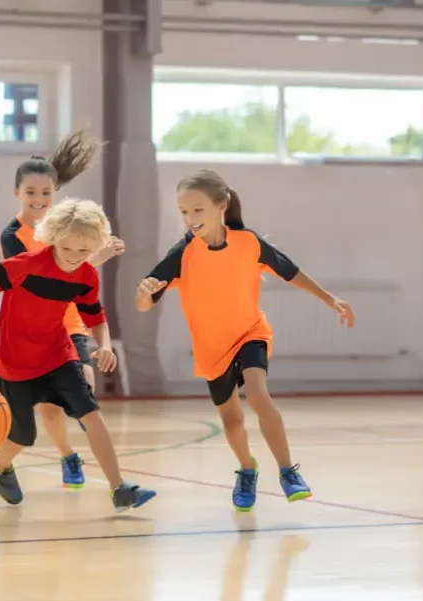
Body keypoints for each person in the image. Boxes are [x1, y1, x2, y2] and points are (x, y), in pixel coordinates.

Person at [134, 169, 355, 512]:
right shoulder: (183, 254)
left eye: (197, 209)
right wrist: (143, 293)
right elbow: (145, 303)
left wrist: (331, 300)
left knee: (257, 391)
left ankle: (288, 472)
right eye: (184, 212)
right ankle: (248, 469)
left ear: (221, 206)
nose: (190, 218)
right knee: (232, 421)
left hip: (250, 332)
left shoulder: (249, 243)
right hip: (211, 349)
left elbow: (290, 271)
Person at [0, 198, 155, 512]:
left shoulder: (87, 275)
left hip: (57, 356)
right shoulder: (25, 265)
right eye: (68, 249)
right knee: (22, 438)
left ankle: (119, 488)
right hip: (15, 365)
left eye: (84, 251)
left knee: (92, 414)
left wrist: (103, 345)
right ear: (53, 238)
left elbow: (95, 316)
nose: (75, 257)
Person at [0, 129, 125, 489]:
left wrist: (90, 253)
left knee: (84, 387)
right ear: (17, 194)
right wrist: (93, 259)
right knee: (49, 409)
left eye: (46, 193)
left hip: (68, 322)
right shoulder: (13, 236)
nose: (39, 199)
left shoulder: (65, 225)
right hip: (31, 329)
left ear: (56, 194)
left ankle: (107, 472)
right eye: (31, 192)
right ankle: (69, 455)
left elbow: (73, 275)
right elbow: (41, 279)